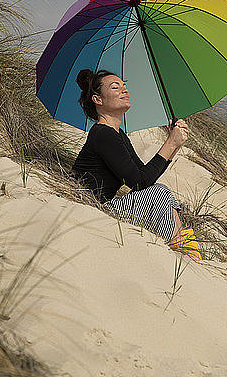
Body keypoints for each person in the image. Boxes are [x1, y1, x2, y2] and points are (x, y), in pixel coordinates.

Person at [71, 69, 201, 256]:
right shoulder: (102, 134)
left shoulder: (117, 134)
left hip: (103, 208)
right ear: (98, 100)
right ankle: (180, 248)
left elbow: (144, 175)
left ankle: (183, 246)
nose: (124, 90)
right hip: (90, 211)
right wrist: (170, 142)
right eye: (116, 87)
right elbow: (139, 182)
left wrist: (176, 146)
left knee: (159, 190)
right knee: (158, 192)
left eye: (124, 85)